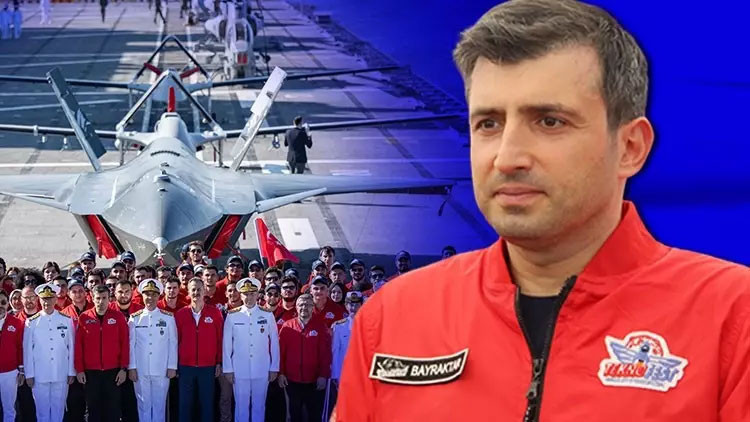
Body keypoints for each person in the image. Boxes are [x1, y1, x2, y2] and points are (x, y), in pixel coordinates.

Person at [335, 0, 750, 421]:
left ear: (630, 148)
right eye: (489, 123)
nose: (507, 158)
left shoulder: (733, 321)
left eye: (549, 121)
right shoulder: (391, 319)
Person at [222, 278, 279, 422]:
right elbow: (227, 345)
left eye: (252, 294)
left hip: (262, 368)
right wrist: (228, 369)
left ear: (258, 294)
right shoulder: (232, 316)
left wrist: (274, 367)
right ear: (241, 295)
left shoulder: (267, 315)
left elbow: (274, 343)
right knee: (241, 407)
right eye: (246, 294)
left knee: (259, 406)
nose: (249, 297)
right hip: (239, 369)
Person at [75, 285, 129, 422]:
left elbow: (125, 344)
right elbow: (79, 346)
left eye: (104, 298)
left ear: (109, 299)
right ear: (92, 299)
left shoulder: (118, 317)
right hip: (91, 373)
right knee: (93, 409)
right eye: (98, 298)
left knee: (112, 409)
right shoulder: (84, 317)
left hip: (113, 372)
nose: (101, 301)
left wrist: (123, 368)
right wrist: (79, 370)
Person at [23, 283, 75, 422]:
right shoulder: (31, 322)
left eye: (50, 298)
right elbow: (27, 350)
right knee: (42, 411)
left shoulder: (66, 320)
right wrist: (29, 374)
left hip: (60, 371)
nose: (47, 302)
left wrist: (71, 371)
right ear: (39, 300)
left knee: (59, 409)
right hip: (40, 373)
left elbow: (71, 347)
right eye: (44, 299)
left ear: (56, 299)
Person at [128, 279, 178, 422]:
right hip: (141, 368)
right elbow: (131, 344)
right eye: (147, 294)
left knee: (159, 405)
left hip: (161, 368)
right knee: (143, 404)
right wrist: (132, 367)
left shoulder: (168, 318)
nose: (150, 298)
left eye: (154, 294)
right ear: (142, 296)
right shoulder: (135, 318)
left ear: (159, 296)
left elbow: (173, 343)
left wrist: (172, 366)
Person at [174, 278, 223, 422]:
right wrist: (175, 364)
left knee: (207, 404)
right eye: (193, 289)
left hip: (208, 366)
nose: (196, 292)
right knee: (185, 404)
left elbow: (220, 340)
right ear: (188, 292)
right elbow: (175, 341)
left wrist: (219, 362)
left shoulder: (215, 313)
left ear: (204, 291)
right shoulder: (180, 314)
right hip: (185, 366)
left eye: (199, 289)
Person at [278, 294, 331, 422]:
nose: (304, 307)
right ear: (296, 307)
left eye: (308, 305)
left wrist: (323, 375)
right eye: (301, 305)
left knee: (314, 415)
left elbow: (325, 354)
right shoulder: (287, 326)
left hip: (314, 380)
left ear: (313, 307)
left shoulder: (320, 326)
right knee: (294, 414)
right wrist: (281, 373)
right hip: (292, 380)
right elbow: (281, 352)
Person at [326, 291, 363, 416]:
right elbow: (335, 351)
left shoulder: (369, 324)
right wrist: (335, 375)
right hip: (344, 374)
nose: (353, 307)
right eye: (350, 304)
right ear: (346, 306)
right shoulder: (339, 326)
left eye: (356, 304)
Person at [0, 289, 25, 422]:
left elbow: (20, 347)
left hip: (9, 372)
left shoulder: (16, 322)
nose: (0, 306)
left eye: (3, 302)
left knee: (9, 408)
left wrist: (21, 370)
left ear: (7, 304)